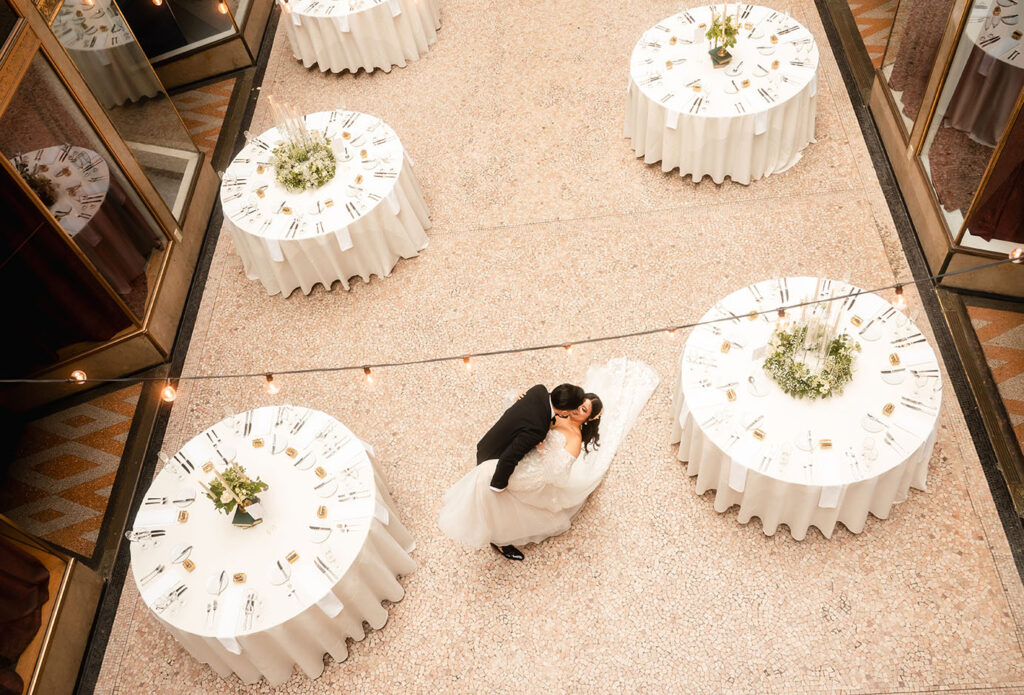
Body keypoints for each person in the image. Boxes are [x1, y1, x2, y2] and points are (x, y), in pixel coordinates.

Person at [439, 391, 603, 561]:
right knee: (488, 478)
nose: (576, 410)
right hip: (521, 455)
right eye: (578, 404)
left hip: (536, 471)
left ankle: (500, 538)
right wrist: (519, 401)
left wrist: (542, 450)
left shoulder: (575, 439)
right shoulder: (562, 411)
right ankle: (483, 518)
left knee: (488, 475)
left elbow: (558, 474)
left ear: (589, 418)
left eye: (583, 409)